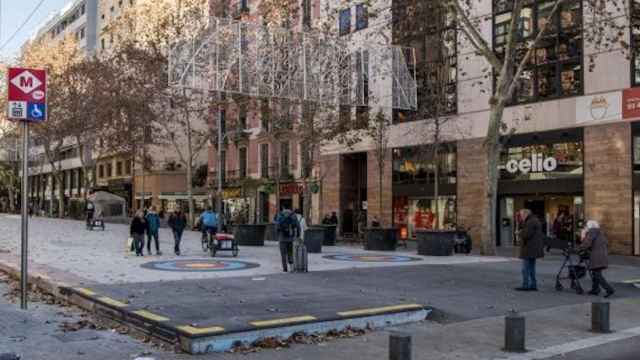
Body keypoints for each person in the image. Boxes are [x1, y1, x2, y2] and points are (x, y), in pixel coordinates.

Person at [580, 220, 615, 298]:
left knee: (597, 274)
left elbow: (586, 244)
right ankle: (595, 289)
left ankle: (609, 289)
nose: (585, 227)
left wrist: (583, 236)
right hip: (602, 256)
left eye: (586, 226)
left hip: (597, 256)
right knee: (596, 273)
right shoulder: (599, 232)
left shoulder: (592, 232)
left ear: (589, 226)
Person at [516, 209, 545, 291]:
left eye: (521, 215)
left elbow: (526, 234)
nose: (521, 217)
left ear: (525, 214)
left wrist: (519, 233)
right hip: (533, 248)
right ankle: (533, 285)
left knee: (525, 268)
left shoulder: (530, 222)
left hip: (529, 248)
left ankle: (526, 285)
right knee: (531, 268)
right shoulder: (534, 220)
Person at [275, 205, 301, 272]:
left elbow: (277, 226)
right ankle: (291, 267)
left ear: (283, 208)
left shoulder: (280, 214)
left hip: (282, 237)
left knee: (283, 254)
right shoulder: (293, 215)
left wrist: (278, 234)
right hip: (290, 237)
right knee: (290, 252)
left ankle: (285, 268)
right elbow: (298, 226)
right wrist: (298, 235)